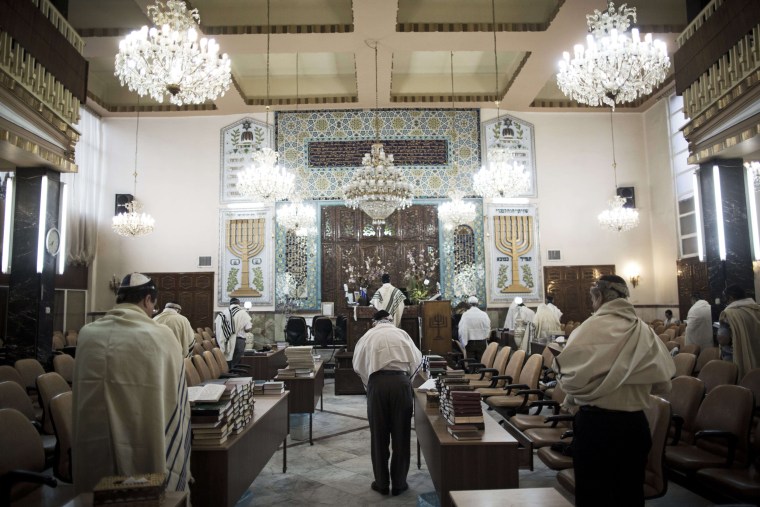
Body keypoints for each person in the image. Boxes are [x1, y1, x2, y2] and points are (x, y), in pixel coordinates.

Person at [555, 275, 674, 506]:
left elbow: (567, 379)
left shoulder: (588, 329)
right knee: (629, 493)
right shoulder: (644, 331)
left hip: (596, 427)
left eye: (592, 299)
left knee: (593, 495)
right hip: (634, 427)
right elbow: (662, 383)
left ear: (598, 296)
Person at [72, 273, 191, 494]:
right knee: (143, 491)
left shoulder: (87, 335)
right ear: (148, 299)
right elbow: (176, 392)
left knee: (99, 491)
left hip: (96, 440)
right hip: (144, 437)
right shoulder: (161, 335)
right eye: (152, 305)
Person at [353, 310, 422, 497]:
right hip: (401, 383)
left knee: (379, 435)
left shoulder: (368, 335)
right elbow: (417, 361)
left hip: (378, 385)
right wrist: (406, 380)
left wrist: (371, 384)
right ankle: (399, 484)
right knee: (402, 434)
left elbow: (357, 364)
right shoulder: (402, 334)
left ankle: (382, 483)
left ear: (374, 322)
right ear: (391, 321)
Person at [718, 285, 760, 379]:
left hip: (736, 356)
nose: (725, 302)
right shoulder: (756, 308)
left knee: (738, 383)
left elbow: (723, 339)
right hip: (756, 352)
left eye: (725, 298)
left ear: (731, 298)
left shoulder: (729, 313)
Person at [215, 297, 252, 368]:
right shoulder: (243, 313)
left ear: (230, 304)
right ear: (238, 303)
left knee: (227, 360)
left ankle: (228, 373)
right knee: (236, 363)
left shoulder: (223, 313)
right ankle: (235, 375)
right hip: (239, 341)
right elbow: (248, 328)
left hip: (225, 340)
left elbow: (217, 327)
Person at [458, 295, 491, 362]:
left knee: (471, 363)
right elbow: (488, 327)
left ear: (468, 304)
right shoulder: (484, 314)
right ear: (477, 304)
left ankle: (472, 372)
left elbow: (461, 329)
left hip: (470, 342)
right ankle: (481, 372)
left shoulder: (465, 315)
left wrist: (463, 341)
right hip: (482, 342)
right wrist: (486, 336)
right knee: (481, 362)